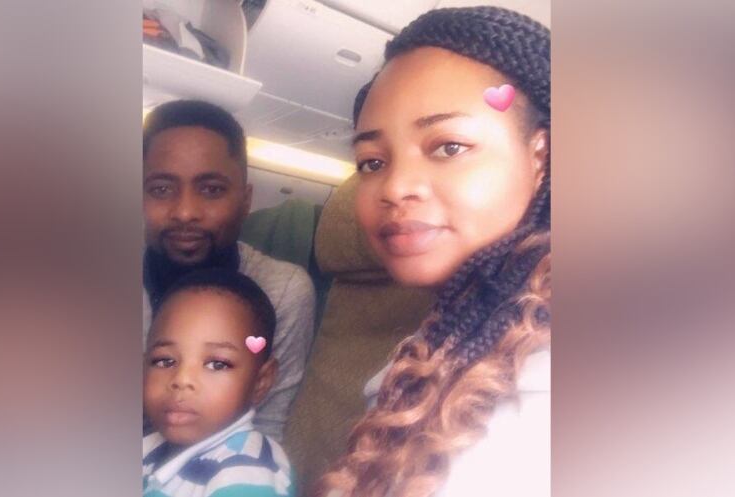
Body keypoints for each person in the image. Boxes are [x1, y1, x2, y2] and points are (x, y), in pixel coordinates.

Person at [319, 7, 550, 497]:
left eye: (448, 146)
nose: (395, 186)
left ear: (541, 157)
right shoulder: (425, 354)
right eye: (372, 162)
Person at [143, 100, 316, 441]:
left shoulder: (282, 291)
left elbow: (267, 427)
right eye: (161, 189)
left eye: (212, 190)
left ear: (246, 199)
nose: (185, 212)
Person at [143, 269, 295, 497]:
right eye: (165, 361)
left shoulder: (246, 475)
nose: (181, 380)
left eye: (217, 364)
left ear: (260, 382)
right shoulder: (149, 447)